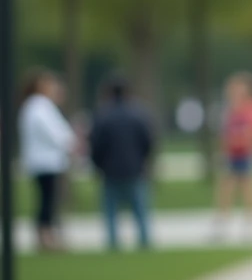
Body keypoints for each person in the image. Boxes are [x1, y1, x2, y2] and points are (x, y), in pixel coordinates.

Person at [89, 74, 156, 250]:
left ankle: (113, 243)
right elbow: (148, 141)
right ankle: (144, 241)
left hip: (110, 170)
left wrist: (98, 165)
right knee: (140, 210)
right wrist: (144, 160)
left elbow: (96, 145)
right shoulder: (139, 114)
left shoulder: (103, 115)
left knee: (111, 211)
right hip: (135, 168)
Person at [18, 69, 77, 251]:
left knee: (47, 199)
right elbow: (54, 132)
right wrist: (70, 143)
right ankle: (46, 236)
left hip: (44, 160)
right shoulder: (39, 105)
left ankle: (47, 234)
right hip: (45, 161)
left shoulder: (36, 105)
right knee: (47, 200)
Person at [214, 71, 252, 241]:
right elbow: (224, 133)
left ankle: (251, 223)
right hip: (231, 154)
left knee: (248, 188)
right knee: (226, 189)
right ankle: (222, 223)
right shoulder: (231, 109)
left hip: (246, 153)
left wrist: (241, 141)